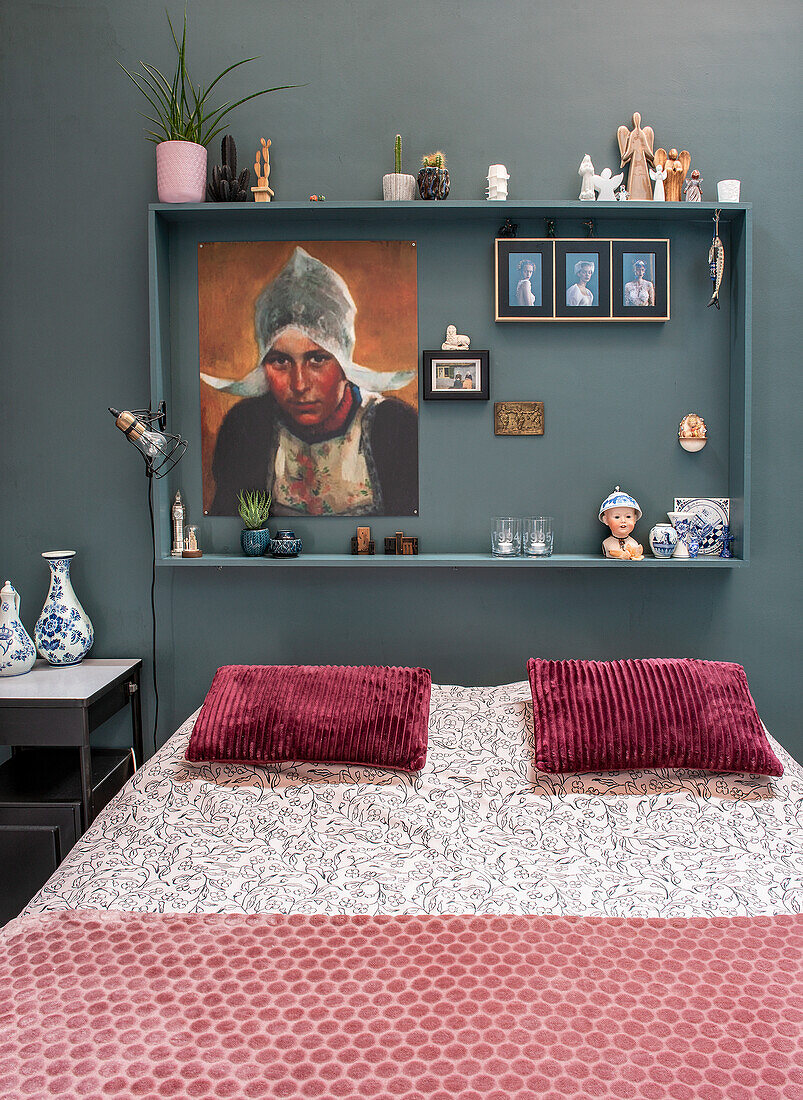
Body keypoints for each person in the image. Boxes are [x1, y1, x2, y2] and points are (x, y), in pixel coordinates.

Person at [202, 247, 418, 516]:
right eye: (280, 361)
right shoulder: (245, 427)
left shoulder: (396, 427)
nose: (300, 384)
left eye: (317, 359)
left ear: (343, 364)